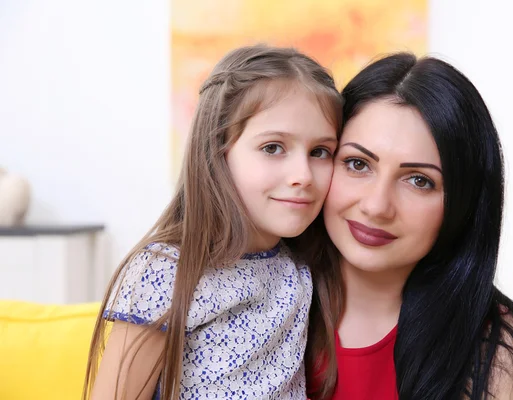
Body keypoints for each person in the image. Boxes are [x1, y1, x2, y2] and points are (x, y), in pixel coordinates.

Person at [83, 44, 342, 400]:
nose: (303, 175)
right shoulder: (167, 271)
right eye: (273, 147)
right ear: (218, 151)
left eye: (320, 152)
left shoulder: (299, 268)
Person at [307, 53, 513, 400]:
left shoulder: (495, 347)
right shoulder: (257, 302)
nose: (376, 206)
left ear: (463, 203)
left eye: (419, 181)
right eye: (357, 163)